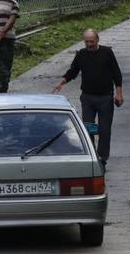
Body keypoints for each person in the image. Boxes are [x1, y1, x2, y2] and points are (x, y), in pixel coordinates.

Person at [52, 29, 123, 169]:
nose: (89, 44)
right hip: (88, 98)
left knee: (104, 129)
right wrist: (61, 82)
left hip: (105, 98)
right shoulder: (81, 54)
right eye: (87, 42)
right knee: (88, 128)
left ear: (97, 40)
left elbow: (117, 73)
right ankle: (91, 156)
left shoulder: (107, 53)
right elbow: (73, 70)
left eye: (92, 41)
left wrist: (119, 93)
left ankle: (102, 158)